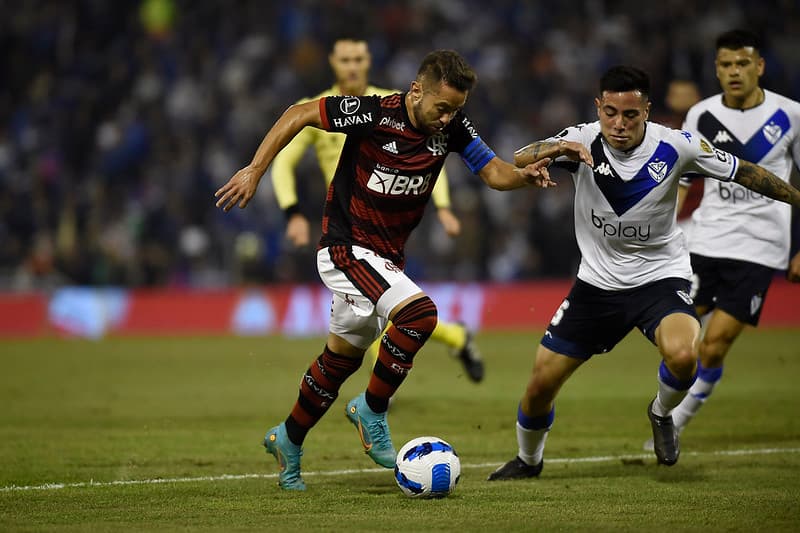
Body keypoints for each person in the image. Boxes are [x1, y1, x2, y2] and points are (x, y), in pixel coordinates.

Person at [215, 49, 557, 490]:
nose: (447, 117)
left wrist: (523, 177)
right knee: (420, 315)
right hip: (345, 248)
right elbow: (299, 113)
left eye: (456, 110)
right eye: (442, 107)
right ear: (416, 91)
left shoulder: (452, 128)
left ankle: (288, 438)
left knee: (339, 361)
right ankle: (372, 410)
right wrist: (255, 170)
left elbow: (493, 172)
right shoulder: (374, 113)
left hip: (384, 260)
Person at [486, 65, 800, 481]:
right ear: (598, 107)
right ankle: (528, 461)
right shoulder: (581, 138)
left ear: (647, 111)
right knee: (541, 383)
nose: (619, 124)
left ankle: (661, 412)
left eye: (630, 115)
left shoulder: (679, 146)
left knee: (686, 354)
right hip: (596, 286)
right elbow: (520, 156)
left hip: (659, 279)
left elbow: (746, 172)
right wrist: (559, 149)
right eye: (610, 112)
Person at [271, 36, 484, 383]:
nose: (352, 66)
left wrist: (443, 207)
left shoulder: (394, 104)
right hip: (346, 223)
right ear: (333, 63)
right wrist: (291, 211)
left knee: (385, 313)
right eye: (345, 60)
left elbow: (432, 159)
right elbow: (285, 162)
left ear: (367, 61)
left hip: (386, 221)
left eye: (358, 59)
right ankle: (392, 385)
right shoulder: (320, 105)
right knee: (379, 312)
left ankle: (375, 398)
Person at [661, 29, 800, 440]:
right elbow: (682, 180)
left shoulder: (790, 114)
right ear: (717, 70)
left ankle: (674, 423)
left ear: (759, 66)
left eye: (743, 63)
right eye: (726, 65)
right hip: (706, 239)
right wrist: (661, 228)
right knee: (679, 335)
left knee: (715, 343)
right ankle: (662, 405)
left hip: (761, 246)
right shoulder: (701, 114)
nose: (734, 72)